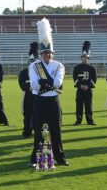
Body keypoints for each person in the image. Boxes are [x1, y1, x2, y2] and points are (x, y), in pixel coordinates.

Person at [29, 18, 69, 166]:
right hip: (39, 101)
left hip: (53, 101)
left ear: (53, 53)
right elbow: (33, 84)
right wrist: (48, 83)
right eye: (45, 53)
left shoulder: (59, 65)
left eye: (49, 53)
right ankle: (35, 159)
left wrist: (43, 82)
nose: (47, 55)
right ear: (41, 54)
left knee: (56, 131)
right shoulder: (34, 66)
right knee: (38, 132)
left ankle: (60, 158)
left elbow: (58, 83)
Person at [73, 41, 97, 126]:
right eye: (83, 57)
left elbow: (94, 80)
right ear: (81, 58)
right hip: (79, 90)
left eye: (86, 57)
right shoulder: (77, 68)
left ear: (88, 58)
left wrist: (88, 86)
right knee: (79, 106)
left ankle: (90, 120)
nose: (84, 58)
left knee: (89, 106)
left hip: (88, 90)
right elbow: (75, 79)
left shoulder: (92, 68)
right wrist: (80, 85)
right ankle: (78, 120)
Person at [18, 42, 39, 138]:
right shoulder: (23, 72)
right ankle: (27, 132)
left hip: (39, 95)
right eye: (31, 61)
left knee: (39, 114)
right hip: (28, 96)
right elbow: (21, 83)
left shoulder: (41, 71)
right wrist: (28, 88)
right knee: (27, 115)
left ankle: (38, 132)